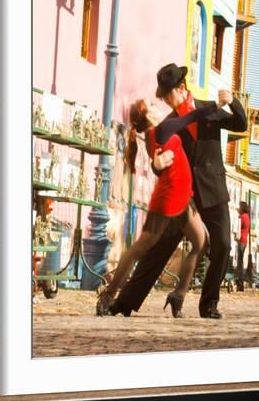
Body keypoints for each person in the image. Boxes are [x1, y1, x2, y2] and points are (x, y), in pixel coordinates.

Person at [110, 63, 248, 319]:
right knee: (161, 248)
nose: (164, 101)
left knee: (222, 245)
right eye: (161, 97)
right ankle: (123, 303)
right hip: (185, 196)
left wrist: (232, 101)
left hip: (214, 190)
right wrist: (155, 165)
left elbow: (241, 124)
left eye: (167, 95)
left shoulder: (209, 109)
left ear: (181, 88)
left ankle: (208, 304)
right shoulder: (170, 122)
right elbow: (159, 157)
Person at [96, 96, 223, 318]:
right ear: (149, 116)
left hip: (182, 198)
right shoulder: (161, 130)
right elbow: (192, 116)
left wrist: (158, 164)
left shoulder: (153, 135)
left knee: (200, 243)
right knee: (140, 248)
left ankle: (178, 295)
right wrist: (216, 106)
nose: (157, 107)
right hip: (169, 200)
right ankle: (108, 294)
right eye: (152, 107)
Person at [235, 201, 250, 292]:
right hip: (244, 240)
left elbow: (238, 226)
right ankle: (240, 282)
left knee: (239, 262)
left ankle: (240, 282)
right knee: (240, 261)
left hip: (241, 240)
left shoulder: (242, 216)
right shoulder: (247, 216)